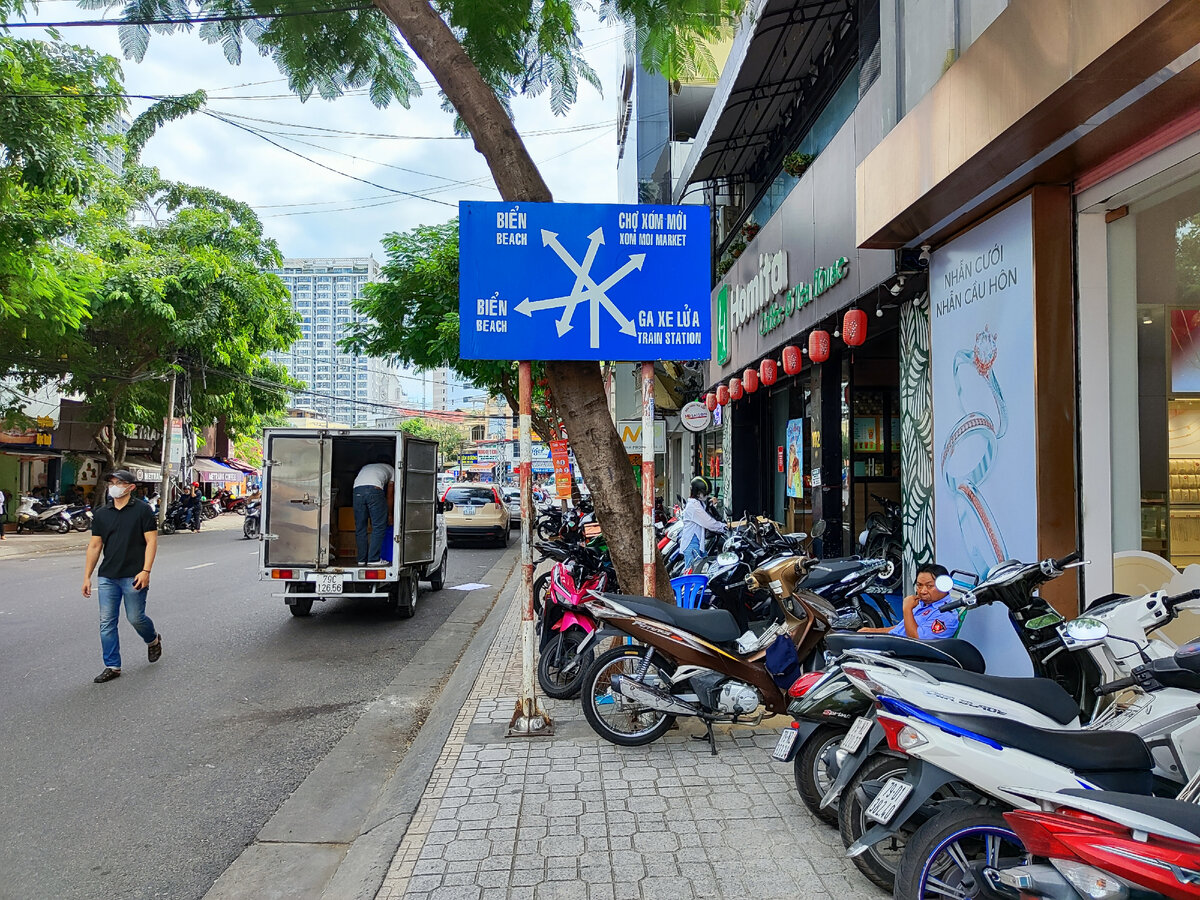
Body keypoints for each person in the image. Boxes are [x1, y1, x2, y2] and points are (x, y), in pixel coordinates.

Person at [82, 470, 162, 683]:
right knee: (107, 622)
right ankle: (112, 666)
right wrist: (87, 576)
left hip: (134, 574)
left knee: (135, 618)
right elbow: (95, 545)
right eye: (112, 482)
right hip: (108, 576)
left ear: (131, 487)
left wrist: (146, 571)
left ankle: (152, 640)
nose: (114, 486)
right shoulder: (101, 513)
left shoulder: (143, 510)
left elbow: (151, 542)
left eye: (119, 482)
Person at [859, 563, 959, 639]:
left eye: (929, 586)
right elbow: (901, 629)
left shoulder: (945, 615)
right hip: (892, 641)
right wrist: (873, 631)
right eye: (919, 585)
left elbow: (916, 640)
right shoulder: (923, 604)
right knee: (846, 635)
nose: (923, 591)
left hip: (903, 654)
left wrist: (907, 609)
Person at [353, 456, 394, 565]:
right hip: (375, 490)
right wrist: (389, 515)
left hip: (357, 491)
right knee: (379, 526)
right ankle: (374, 559)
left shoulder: (366, 467)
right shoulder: (392, 469)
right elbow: (390, 495)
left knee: (360, 528)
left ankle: (361, 560)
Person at [679, 476, 727, 570]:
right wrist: (724, 527)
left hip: (697, 544)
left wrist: (711, 503)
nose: (705, 495)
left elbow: (704, 509)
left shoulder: (697, 503)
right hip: (692, 545)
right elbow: (708, 523)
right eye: (703, 493)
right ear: (697, 492)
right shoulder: (693, 506)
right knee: (693, 576)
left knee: (700, 572)